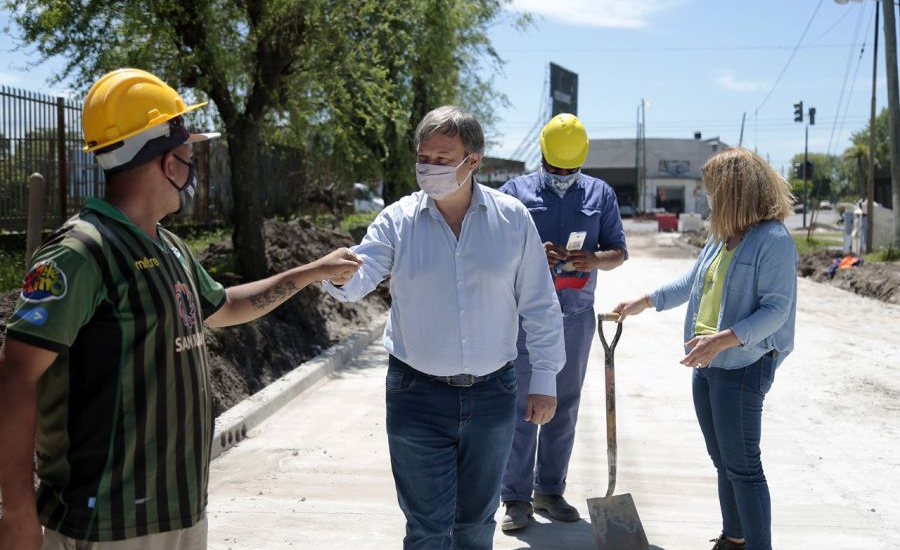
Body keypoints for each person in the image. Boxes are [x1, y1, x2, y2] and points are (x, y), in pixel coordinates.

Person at [0, 68, 362, 550]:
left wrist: (312, 271)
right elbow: (15, 376)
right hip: (107, 525)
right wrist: (17, 513)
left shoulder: (169, 248)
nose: (193, 170)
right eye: (189, 155)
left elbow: (223, 305)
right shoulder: (81, 254)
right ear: (166, 162)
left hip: (180, 513)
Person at [322, 105, 565, 549]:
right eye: (423, 156)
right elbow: (361, 274)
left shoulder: (512, 220)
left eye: (442, 157)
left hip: (494, 396)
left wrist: (545, 378)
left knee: (475, 525)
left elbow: (540, 304)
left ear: (473, 161)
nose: (428, 167)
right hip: (417, 395)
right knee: (427, 529)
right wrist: (339, 275)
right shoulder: (398, 220)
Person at [613, 147, 798, 550]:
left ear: (734, 190)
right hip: (708, 364)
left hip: (743, 366)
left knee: (745, 468)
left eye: (712, 187)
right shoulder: (721, 239)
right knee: (724, 463)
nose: (705, 194)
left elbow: (776, 310)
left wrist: (722, 340)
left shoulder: (773, 239)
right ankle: (733, 539)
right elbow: (689, 282)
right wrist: (642, 302)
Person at [498, 113, 627, 530]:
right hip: (522, 316)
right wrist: (534, 253)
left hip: (574, 315)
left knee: (564, 403)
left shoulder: (600, 194)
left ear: (582, 161)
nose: (562, 175)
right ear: (542, 156)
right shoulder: (514, 193)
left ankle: (549, 490)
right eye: (555, 168)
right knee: (521, 404)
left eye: (570, 170)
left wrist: (592, 259)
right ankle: (514, 497)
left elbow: (618, 252)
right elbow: (491, 250)